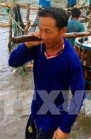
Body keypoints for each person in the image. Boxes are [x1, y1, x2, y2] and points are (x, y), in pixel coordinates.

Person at [9, 8, 85, 139]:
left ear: (63, 31)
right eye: (41, 29)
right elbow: (13, 62)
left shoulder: (71, 59)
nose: (43, 36)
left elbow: (79, 94)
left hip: (53, 120)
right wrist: (27, 44)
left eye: (48, 31)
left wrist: (65, 127)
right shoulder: (38, 47)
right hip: (35, 112)